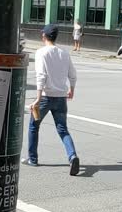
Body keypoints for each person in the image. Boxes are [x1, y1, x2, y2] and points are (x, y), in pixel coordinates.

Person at [22, 24, 80, 176]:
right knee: (63, 129)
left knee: (34, 126)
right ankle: (72, 155)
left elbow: (41, 75)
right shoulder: (64, 53)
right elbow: (72, 74)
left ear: (44, 36)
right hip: (61, 97)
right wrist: (71, 89)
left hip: (46, 97)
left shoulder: (41, 52)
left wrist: (38, 98)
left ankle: (32, 158)